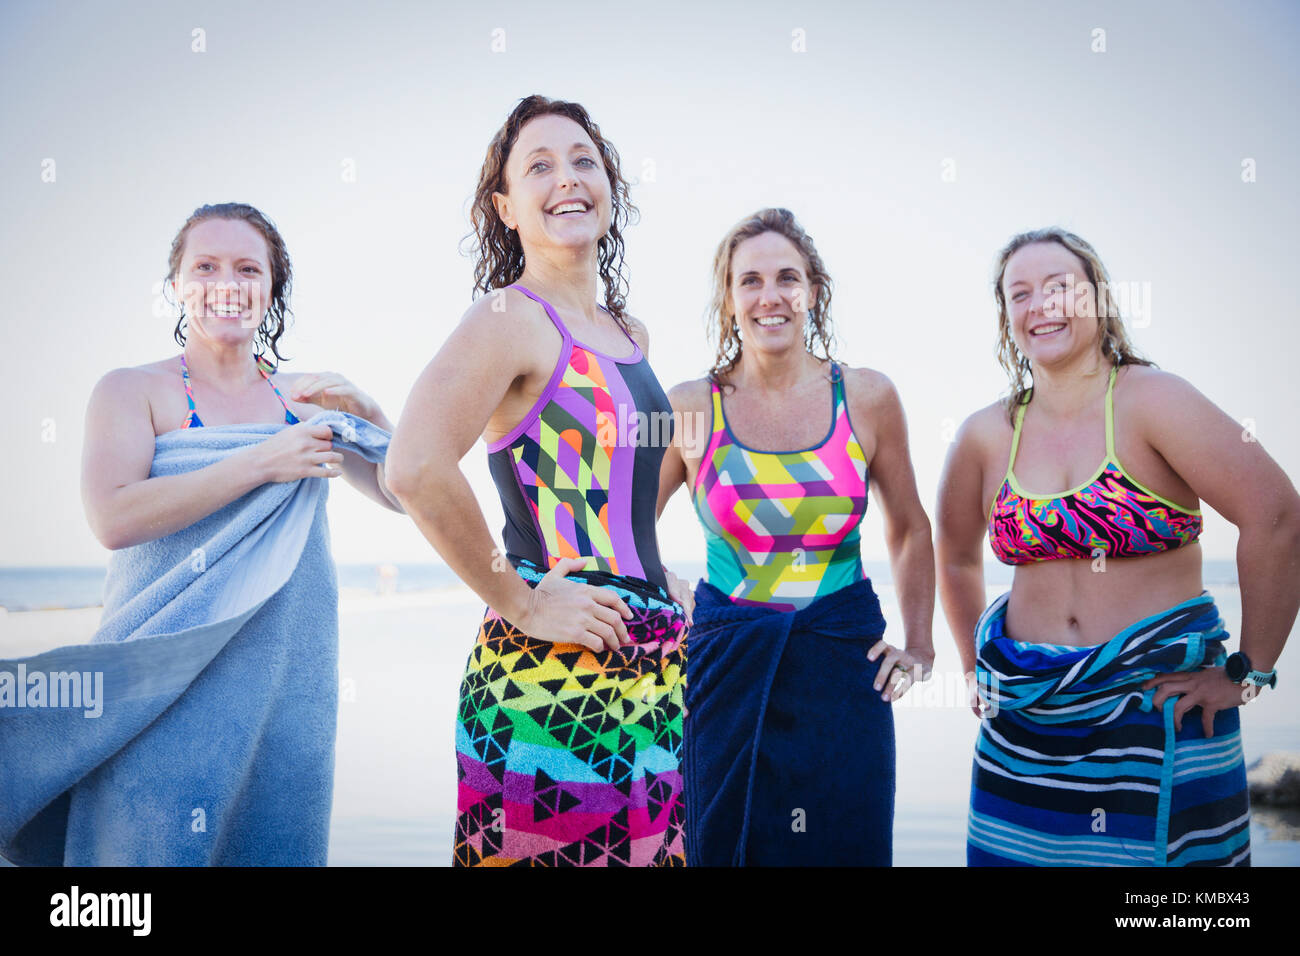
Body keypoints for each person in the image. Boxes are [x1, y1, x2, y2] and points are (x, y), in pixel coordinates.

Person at [0, 202, 400, 865]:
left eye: (248, 267)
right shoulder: (133, 391)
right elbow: (114, 517)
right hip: (166, 686)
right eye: (205, 266)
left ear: (272, 289)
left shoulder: (303, 400)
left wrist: (370, 413)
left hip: (284, 692)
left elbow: (404, 494)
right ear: (178, 285)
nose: (227, 282)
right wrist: (262, 462)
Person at [385, 96, 693, 867]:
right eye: (540, 166)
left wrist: (659, 576)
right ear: (506, 207)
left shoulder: (630, 335)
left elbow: (617, 492)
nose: (568, 179)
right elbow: (415, 468)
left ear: (612, 187)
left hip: (652, 667)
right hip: (549, 675)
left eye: (584, 160)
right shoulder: (509, 318)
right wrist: (519, 599)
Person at [936, 227, 1300, 866]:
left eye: (1060, 286)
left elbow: (1277, 518)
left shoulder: (1155, 400)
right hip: (1026, 726)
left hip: (1161, 711)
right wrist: (974, 670)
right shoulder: (985, 434)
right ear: (1006, 318)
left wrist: (1248, 672)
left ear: (1099, 298)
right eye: (1019, 293)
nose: (1040, 304)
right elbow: (956, 553)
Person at [656, 208, 936, 865]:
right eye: (749, 281)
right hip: (724, 674)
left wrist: (920, 644)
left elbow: (911, 525)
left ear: (814, 290)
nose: (770, 296)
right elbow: (626, 525)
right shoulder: (692, 406)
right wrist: (678, 597)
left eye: (788, 277)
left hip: (845, 674)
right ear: (728, 301)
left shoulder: (865, 397)